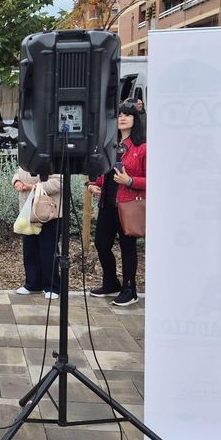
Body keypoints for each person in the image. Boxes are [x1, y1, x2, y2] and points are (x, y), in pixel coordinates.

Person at [89, 103, 147, 306]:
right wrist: (92, 185)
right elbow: (102, 171)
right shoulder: (110, 145)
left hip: (128, 204)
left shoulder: (142, 147)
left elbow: (153, 179)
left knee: (127, 246)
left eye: (127, 115)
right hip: (107, 202)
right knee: (101, 244)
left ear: (135, 119)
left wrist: (130, 181)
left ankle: (130, 289)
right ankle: (111, 282)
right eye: (119, 114)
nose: (122, 118)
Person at [14, 165, 62, 299]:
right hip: (28, 212)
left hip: (49, 212)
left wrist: (32, 186)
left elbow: (58, 182)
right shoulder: (27, 156)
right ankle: (33, 284)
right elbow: (18, 173)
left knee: (48, 249)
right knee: (30, 248)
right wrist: (17, 182)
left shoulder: (53, 156)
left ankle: (52, 286)